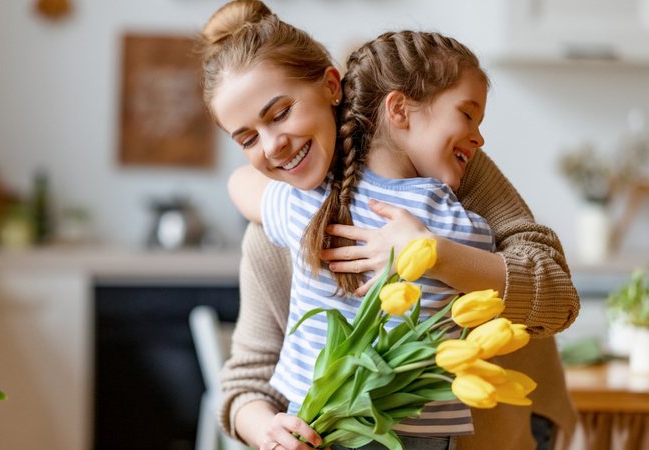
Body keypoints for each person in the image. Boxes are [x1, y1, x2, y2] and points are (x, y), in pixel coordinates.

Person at [199, 1, 579, 450]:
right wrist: (264, 428)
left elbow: (556, 298)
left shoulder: (437, 164)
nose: (273, 146)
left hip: (499, 427)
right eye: (246, 138)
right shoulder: (278, 217)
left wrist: (430, 253)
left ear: (330, 87)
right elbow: (247, 381)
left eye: (280, 112)